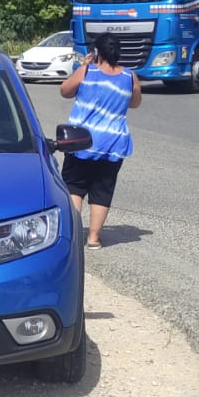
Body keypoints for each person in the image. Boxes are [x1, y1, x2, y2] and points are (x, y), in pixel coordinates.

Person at [59, 32, 141, 250]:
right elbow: (135, 103)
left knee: (74, 187)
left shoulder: (87, 71)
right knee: (102, 190)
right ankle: (94, 239)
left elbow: (65, 91)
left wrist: (83, 67)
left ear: (97, 52)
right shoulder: (129, 77)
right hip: (114, 144)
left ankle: (74, 236)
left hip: (82, 141)